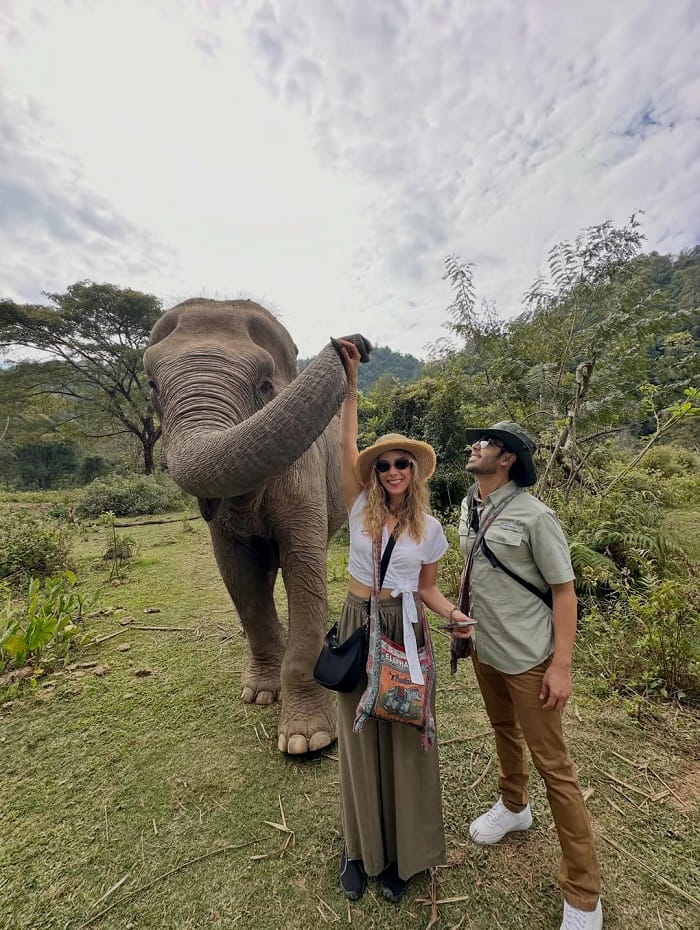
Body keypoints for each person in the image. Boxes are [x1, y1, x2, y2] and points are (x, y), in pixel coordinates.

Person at [333, 339, 474, 903]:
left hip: (407, 628)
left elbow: (429, 588)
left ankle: (404, 856)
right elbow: (347, 442)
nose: (392, 469)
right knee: (358, 736)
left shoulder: (431, 528)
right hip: (358, 622)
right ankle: (359, 851)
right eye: (384, 463)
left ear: (414, 471)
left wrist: (454, 614)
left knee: (405, 735)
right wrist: (350, 382)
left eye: (401, 463)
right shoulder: (357, 507)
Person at [453, 421, 603, 930]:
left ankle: (584, 895)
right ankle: (514, 805)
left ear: (508, 457)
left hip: (530, 658)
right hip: (486, 649)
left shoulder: (536, 517)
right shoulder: (470, 508)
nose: (474, 447)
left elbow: (564, 592)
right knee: (502, 731)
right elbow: (474, 570)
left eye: (486, 443)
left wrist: (561, 667)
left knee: (555, 768)